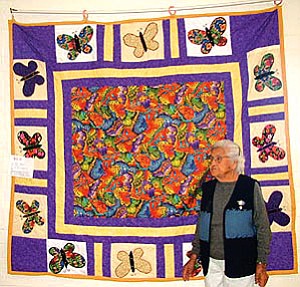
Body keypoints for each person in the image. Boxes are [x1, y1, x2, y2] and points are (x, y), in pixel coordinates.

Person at [182, 139, 272, 287]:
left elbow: (262, 226)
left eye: (218, 159)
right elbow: (202, 225)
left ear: (234, 163)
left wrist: (261, 263)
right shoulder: (208, 189)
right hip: (211, 262)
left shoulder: (249, 187)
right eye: (211, 159)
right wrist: (194, 257)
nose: (212, 164)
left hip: (241, 261)